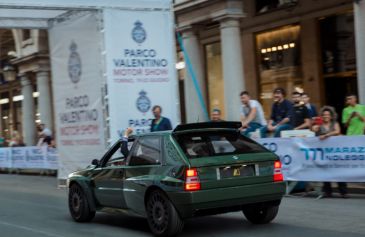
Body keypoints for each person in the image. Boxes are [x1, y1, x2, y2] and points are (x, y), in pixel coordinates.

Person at [312, 106, 347, 198]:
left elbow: (337, 131)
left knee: (339, 171)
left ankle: (343, 192)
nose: (326, 116)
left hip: (335, 153)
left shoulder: (335, 124)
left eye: (328, 115)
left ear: (331, 116)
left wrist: (326, 135)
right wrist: (313, 128)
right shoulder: (320, 125)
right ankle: (328, 191)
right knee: (325, 171)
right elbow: (313, 130)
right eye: (324, 115)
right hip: (324, 153)